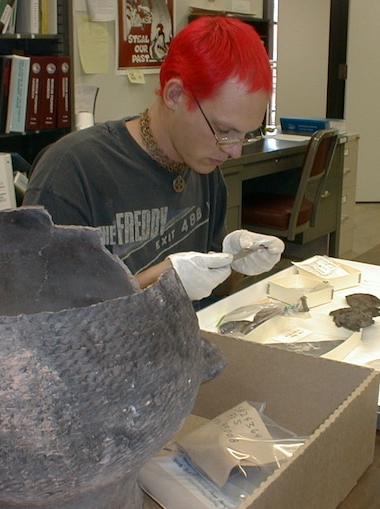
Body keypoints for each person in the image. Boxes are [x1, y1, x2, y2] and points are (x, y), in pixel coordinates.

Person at [24, 16, 285, 303]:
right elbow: (53, 326)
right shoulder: (72, 171)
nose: (234, 151)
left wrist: (236, 265)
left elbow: (213, 294)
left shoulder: (205, 166)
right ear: (175, 95)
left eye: (245, 134)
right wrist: (161, 280)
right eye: (224, 130)